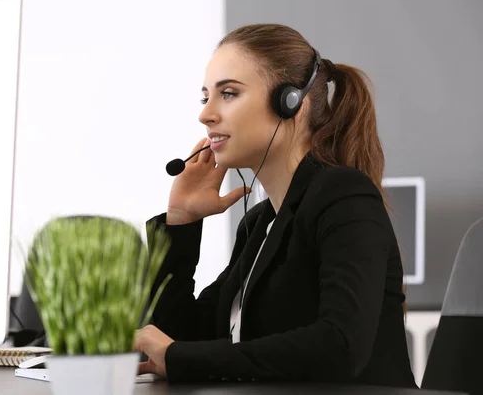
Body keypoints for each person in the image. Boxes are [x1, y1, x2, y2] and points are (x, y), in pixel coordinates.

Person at [133, 23, 417, 388]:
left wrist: (181, 357)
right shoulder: (259, 224)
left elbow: (340, 346)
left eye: (229, 94)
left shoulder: (345, 197)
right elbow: (176, 338)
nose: (206, 115)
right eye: (206, 98)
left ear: (290, 103)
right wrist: (181, 221)